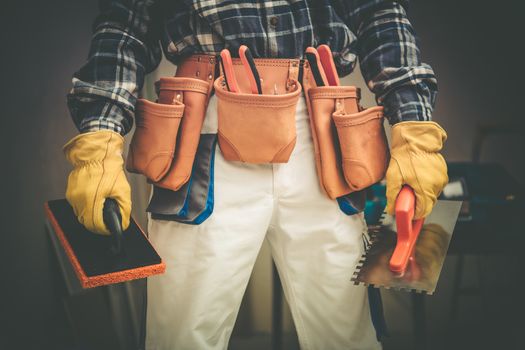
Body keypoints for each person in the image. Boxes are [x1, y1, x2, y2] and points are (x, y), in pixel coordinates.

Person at [63, 1, 448, 349]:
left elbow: (378, 13)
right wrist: (101, 135)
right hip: (206, 125)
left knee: (347, 337)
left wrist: (413, 127)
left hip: (322, 127)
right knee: (182, 338)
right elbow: (128, 23)